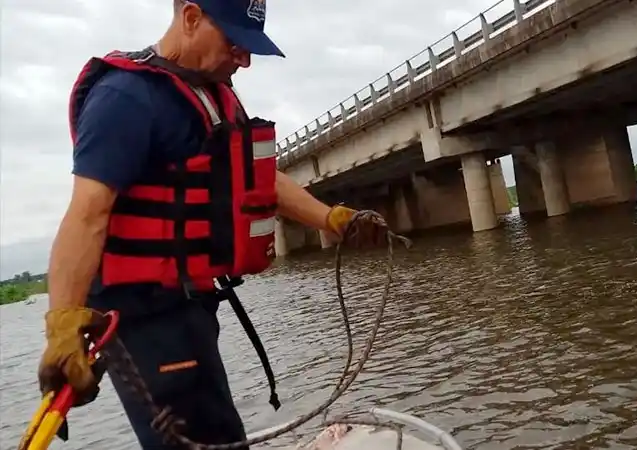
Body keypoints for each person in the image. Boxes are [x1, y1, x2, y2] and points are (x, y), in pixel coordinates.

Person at [35, 0, 390, 448]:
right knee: (194, 438)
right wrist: (63, 324)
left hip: (192, 306)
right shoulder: (124, 98)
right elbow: (86, 214)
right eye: (235, 42)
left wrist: (334, 218)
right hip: (142, 317)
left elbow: (259, 181)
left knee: (221, 431)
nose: (244, 58)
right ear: (190, 17)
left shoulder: (213, 94)